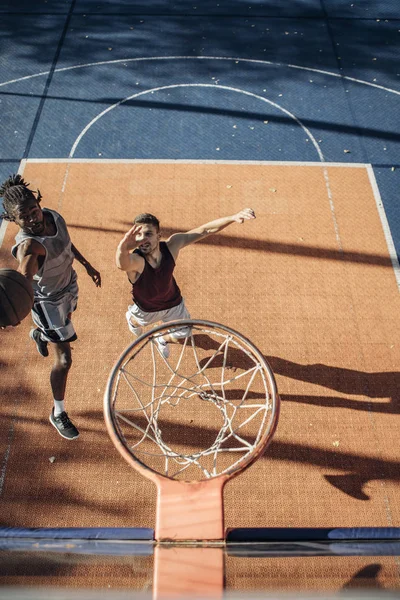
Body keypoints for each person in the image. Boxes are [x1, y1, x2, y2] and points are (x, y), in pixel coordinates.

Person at [0, 174, 101, 440]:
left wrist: (86, 264)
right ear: (14, 220)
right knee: (65, 359)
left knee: (64, 327)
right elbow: (25, 275)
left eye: (34, 209)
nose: (33, 217)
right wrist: (15, 302)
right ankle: (58, 413)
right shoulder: (30, 247)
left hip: (68, 287)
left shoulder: (53, 217)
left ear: (39, 203)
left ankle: (40, 333)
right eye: (24, 216)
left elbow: (65, 243)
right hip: (48, 304)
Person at [116, 208, 256, 357]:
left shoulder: (172, 246)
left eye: (148, 234)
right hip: (147, 309)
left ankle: (161, 338)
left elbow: (205, 230)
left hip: (173, 303)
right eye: (138, 235)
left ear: (158, 236)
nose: (142, 238)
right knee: (137, 323)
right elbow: (122, 264)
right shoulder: (137, 261)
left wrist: (233, 217)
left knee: (184, 332)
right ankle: (132, 320)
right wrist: (123, 247)